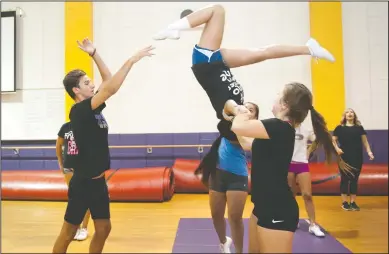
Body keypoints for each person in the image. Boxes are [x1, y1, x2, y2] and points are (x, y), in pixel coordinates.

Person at [52, 38, 154, 253]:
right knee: (68, 233)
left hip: (98, 182)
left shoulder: (94, 109)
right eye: (87, 83)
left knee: (104, 228)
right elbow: (112, 87)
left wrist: (95, 53)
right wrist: (131, 60)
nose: (92, 85)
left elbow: (108, 81)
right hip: (82, 183)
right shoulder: (79, 111)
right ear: (76, 91)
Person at [227, 82, 355, 253]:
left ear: (285, 104)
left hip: (277, 208)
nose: (275, 95)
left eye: (279, 93)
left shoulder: (277, 126)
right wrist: (229, 119)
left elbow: (239, 125)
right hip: (262, 205)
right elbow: (247, 143)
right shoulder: (277, 129)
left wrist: (236, 108)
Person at [153, 4, 335, 123]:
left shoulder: (228, 111)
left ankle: (174, 28)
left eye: (249, 113)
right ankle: (309, 49)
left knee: (217, 10)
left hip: (206, 63)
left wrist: (237, 110)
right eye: (250, 112)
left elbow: (228, 108)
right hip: (219, 64)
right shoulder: (240, 104)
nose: (249, 111)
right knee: (264, 53)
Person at [207, 102, 259, 253]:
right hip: (217, 173)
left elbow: (244, 142)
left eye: (251, 110)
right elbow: (225, 109)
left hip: (237, 175)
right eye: (245, 107)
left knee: (235, 217)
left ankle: (239, 251)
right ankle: (223, 242)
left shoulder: (252, 130)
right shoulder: (230, 122)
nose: (246, 110)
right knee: (216, 215)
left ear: (254, 116)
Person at [287, 123, 325, 237]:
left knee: (307, 194)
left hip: (302, 163)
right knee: (290, 195)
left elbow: (317, 139)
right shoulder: (284, 126)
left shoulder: (306, 128)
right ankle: (293, 220)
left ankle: (313, 224)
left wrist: (308, 152)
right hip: (288, 164)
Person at [332, 108, 374, 211]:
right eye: (347, 112)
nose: (349, 114)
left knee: (355, 180)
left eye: (351, 112)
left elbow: (365, 142)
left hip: (357, 157)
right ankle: (344, 202)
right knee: (345, 179)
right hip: (344, 157)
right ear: (344, 115)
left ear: (354, 115)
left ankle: (353, 202)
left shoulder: (359, 128)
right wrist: (337, 148)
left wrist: (369, 152)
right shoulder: (339, 128)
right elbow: (333, 140)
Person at [56, 122, 91, 241]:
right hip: (69, 167)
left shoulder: (88, 126)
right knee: (75, 197)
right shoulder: (65, 127)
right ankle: (74, 228)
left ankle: (84, 228)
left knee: (86, 196)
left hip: (84, 167)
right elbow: (58, 145)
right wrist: (61, 163)